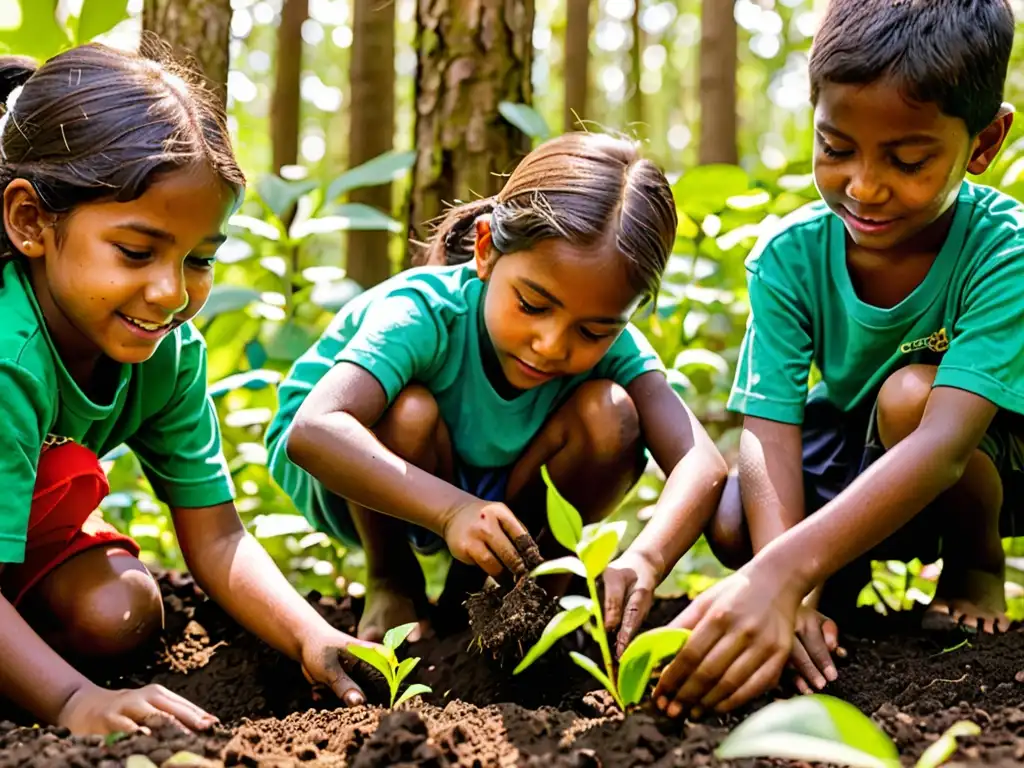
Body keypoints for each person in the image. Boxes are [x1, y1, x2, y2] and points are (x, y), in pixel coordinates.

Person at [606, 0, 1024, 717]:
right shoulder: (789, 257)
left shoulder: (1002, 253)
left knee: (908, 398)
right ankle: (832, 590)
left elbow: (945, 443)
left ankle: (974, 564)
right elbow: (769, 428)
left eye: (908, 159)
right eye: (836, 148)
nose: (863, 186)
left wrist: (782, 572)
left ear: (983, 144)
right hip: (859, 445)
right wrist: (786, 584)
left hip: (980, 457)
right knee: (739, 519)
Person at [0, 41, 376, 737]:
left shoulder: (163, 353)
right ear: (30, 221)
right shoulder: (6, 355)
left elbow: (219, 534)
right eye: (136, 252)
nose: (171, 292)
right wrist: (71, 702)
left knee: (117, 614)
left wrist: (309, 634)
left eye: (199, 258)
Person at [265, 132, 729, 643]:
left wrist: (646, 557)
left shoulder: (617, 345)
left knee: (612, 414)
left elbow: (702, 464)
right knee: (407, 409)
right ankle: (391, 576)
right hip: (360, 475)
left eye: (593, 331)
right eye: (533, 305)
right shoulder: (422, 313)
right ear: (486, 250)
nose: (552, 345)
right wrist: (451, 510)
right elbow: (313, 431)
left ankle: (511, 583)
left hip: (496, 479)